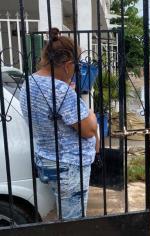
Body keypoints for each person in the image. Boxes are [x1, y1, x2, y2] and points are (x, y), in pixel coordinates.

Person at [20, 28, 99, 219]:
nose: (77, 71)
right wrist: (91, 114)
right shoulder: (60, 90)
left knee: (64, 214)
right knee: (74, 221)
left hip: (47, 158)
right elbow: (88, 129)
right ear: (67, 64)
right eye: (76, 66)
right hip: (69, 165)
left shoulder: (30, 82)